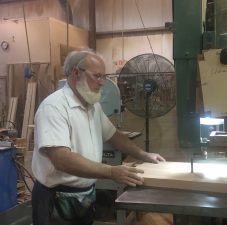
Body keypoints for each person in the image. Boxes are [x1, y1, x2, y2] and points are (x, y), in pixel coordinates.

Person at [31, 49, 165, 225]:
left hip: (85, 195)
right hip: (56, 198)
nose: (102, 83)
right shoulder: (54, 108)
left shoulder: (92, 106)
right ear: (76, 73)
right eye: (97, 76)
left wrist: (144, 155)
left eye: (104, 77)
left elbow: (114, 135)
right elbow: (61, 159)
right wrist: (110, 171)